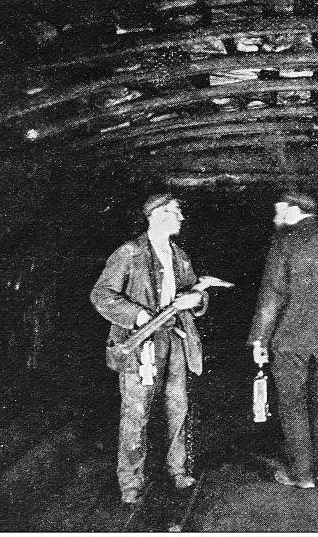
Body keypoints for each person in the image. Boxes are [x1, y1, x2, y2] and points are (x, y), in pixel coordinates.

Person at [90, 192, 208, 504]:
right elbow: (101, 294)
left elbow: (195, 291)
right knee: (136, 411)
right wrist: (137, 315)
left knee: (177, 405)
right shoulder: (130, 252)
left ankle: (178, 470)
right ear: (155, 215)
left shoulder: (179, 255)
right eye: (175, 212)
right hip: (141, 343)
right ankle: (131, 483)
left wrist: (197, 300)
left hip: (175, 339)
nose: (181, 218)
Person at [248, 191, 318, 489]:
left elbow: (273, 294)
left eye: (279, 210)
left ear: (294, 210)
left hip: (289, 339)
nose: (275, 216)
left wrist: (260, 337)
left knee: (293, 404)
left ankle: (302, 475)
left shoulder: (283, 242)